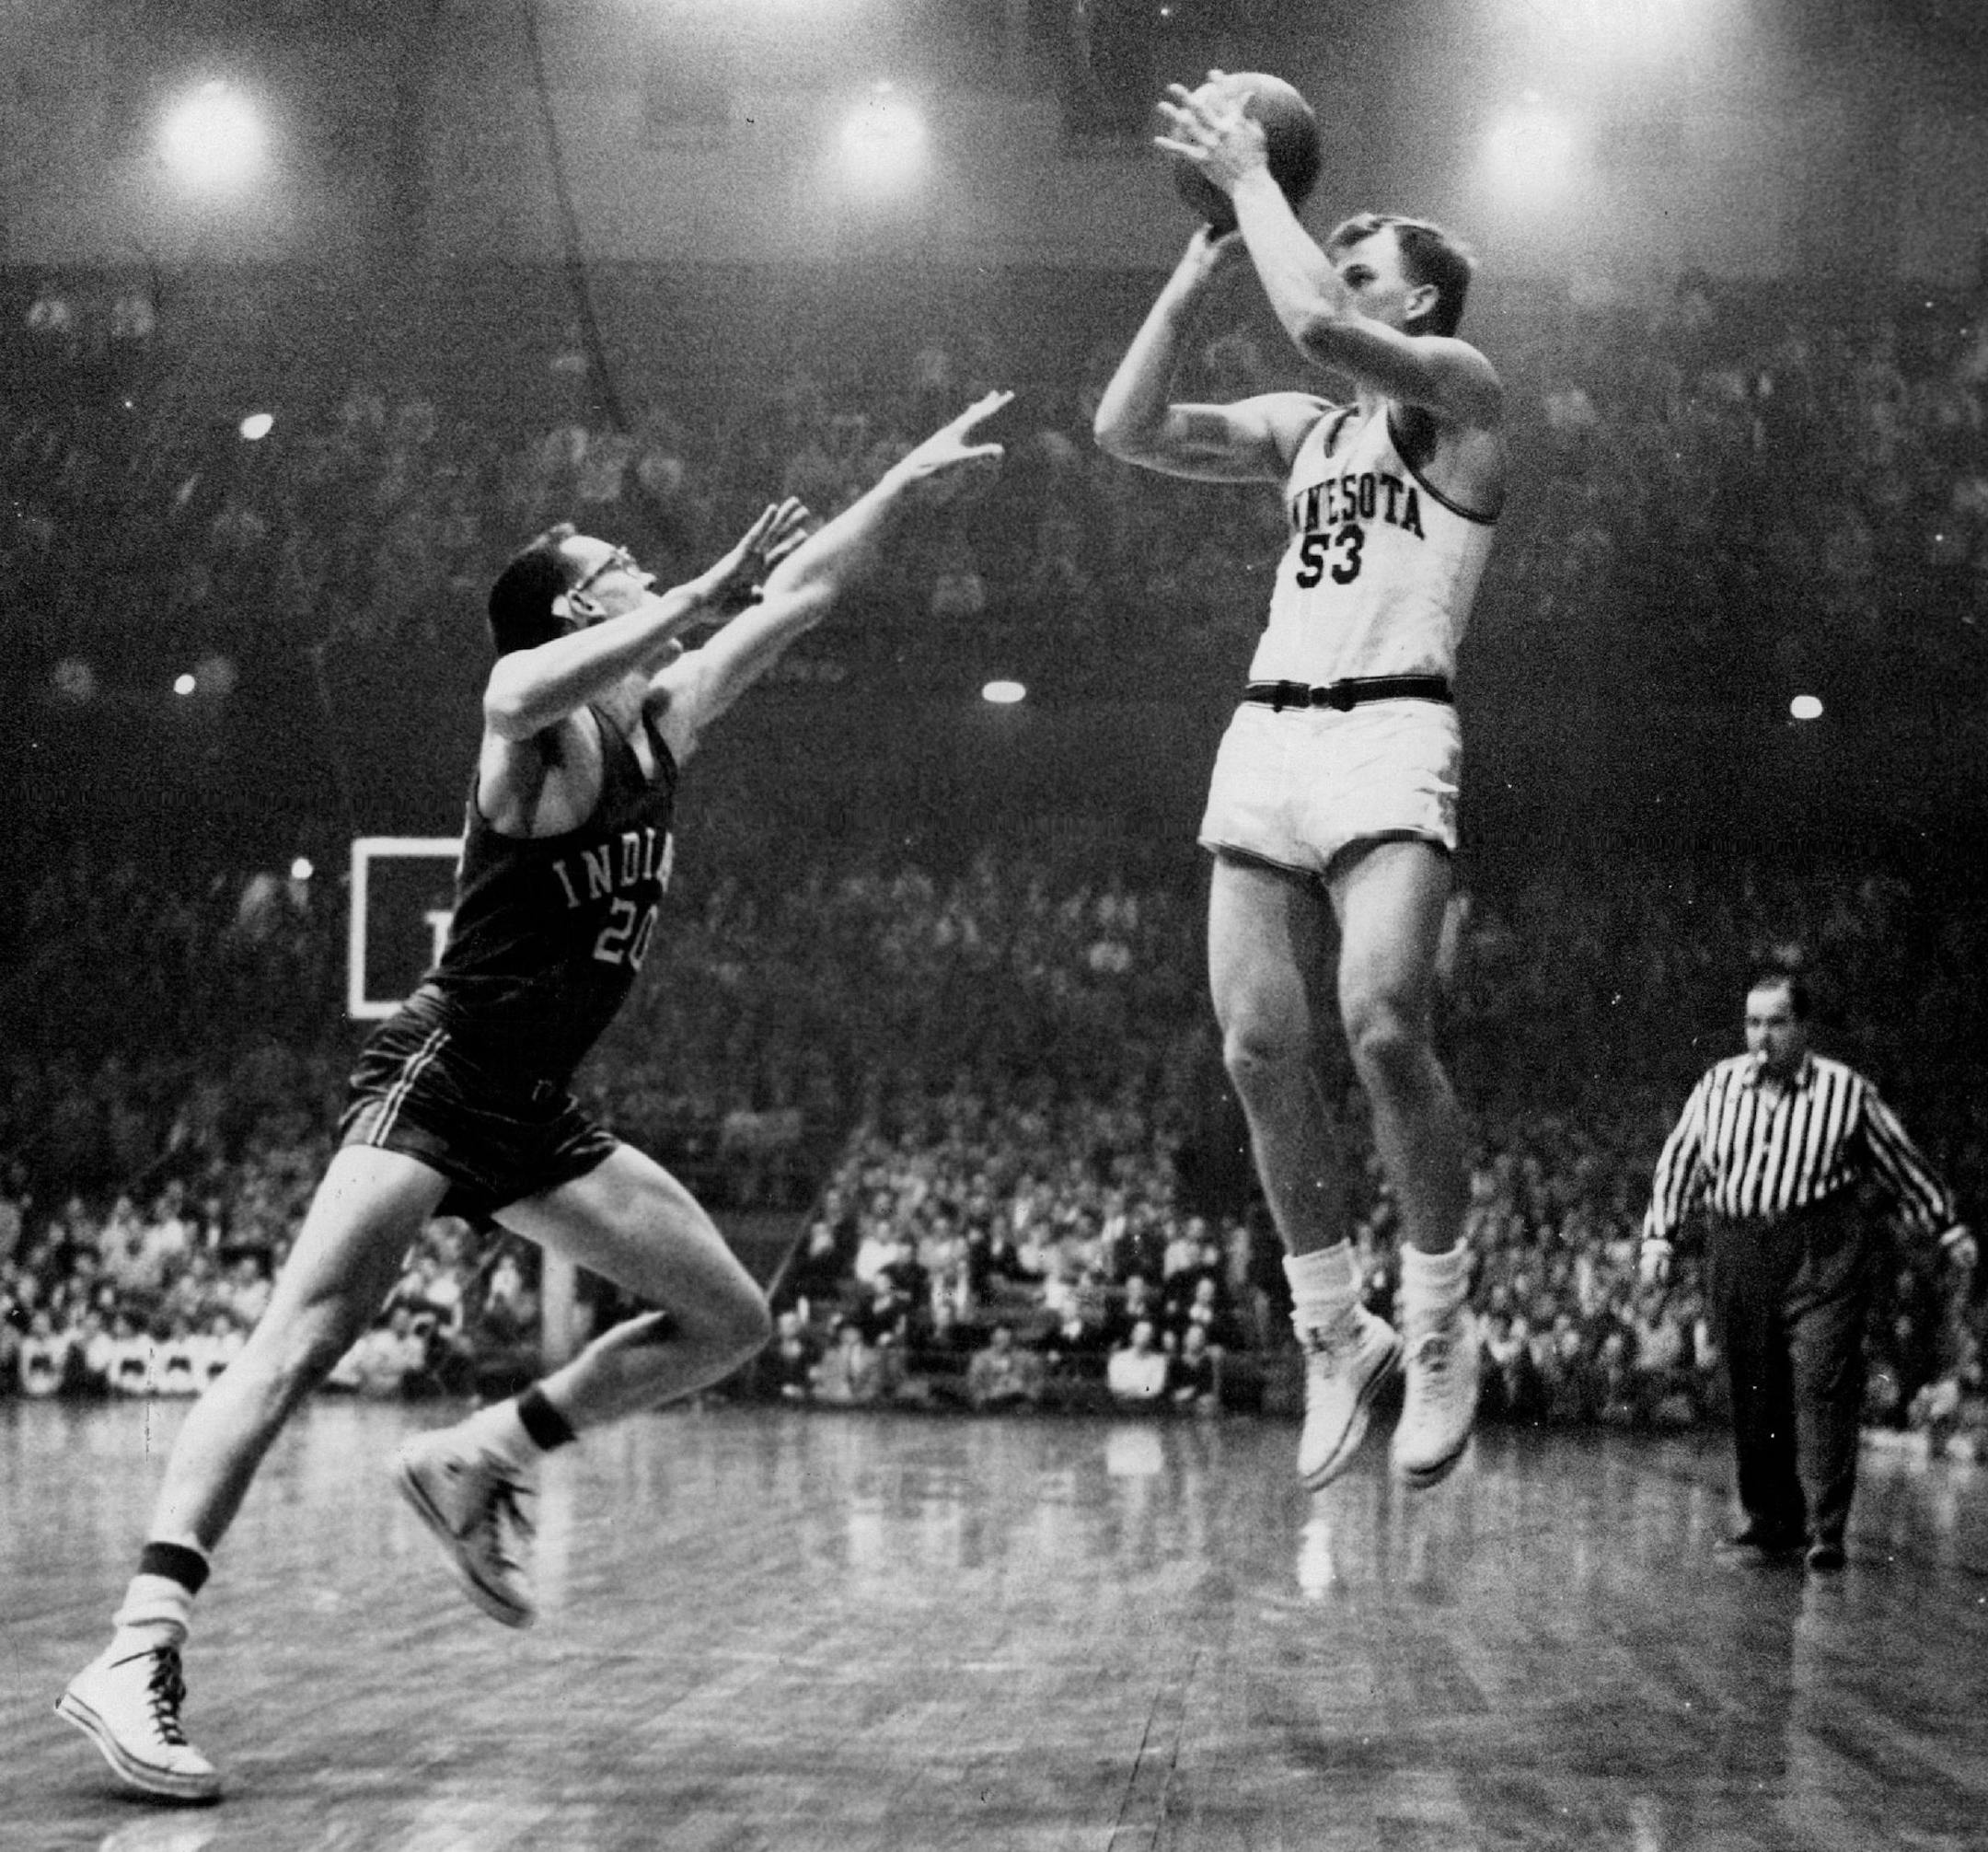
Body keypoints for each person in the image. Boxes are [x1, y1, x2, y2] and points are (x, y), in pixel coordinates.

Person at [56, 392, 1011, 1803]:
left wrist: (902, 488)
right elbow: (512, 682)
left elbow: (802, 593)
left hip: (540, 1101)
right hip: (448, 1067)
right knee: (299, 1339)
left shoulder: (657, 724)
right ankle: (136, 1651)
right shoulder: (534, 736)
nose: (643, 567)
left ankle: (486, 1455)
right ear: (576, 609)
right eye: (616, 563)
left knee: (728, 1316)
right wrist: (695, 590)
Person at [1093, 75, 1505, 1492]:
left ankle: (1442, 1323)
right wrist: (1197, 260)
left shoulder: (1461, 400)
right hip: (1271, 728)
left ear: (1421, 307)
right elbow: (1125, 429)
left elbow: (1321, 322)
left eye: (1365, 268)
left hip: (1393, 726)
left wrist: (1256, 177)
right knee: (1258, 1048)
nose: (1336, 280)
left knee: (1383, 1025)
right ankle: (1339, 1331)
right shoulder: (1301, 428)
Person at [1640, 968, 1977, 1571]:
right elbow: (1680, 1164)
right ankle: (1773, 1524)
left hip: (1821, 1249)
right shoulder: (1717, 1085)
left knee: (1823, 1383)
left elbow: (1900, 1162)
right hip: (1739, 1245)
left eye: (1775, 1023)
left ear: (1803, 1028)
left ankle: (1826, 1529)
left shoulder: (1846, 1092)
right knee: (1753, 1386)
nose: (1761, 1036)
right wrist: (1659, 1241)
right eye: (1752, 1022)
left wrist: (1946, 1226)